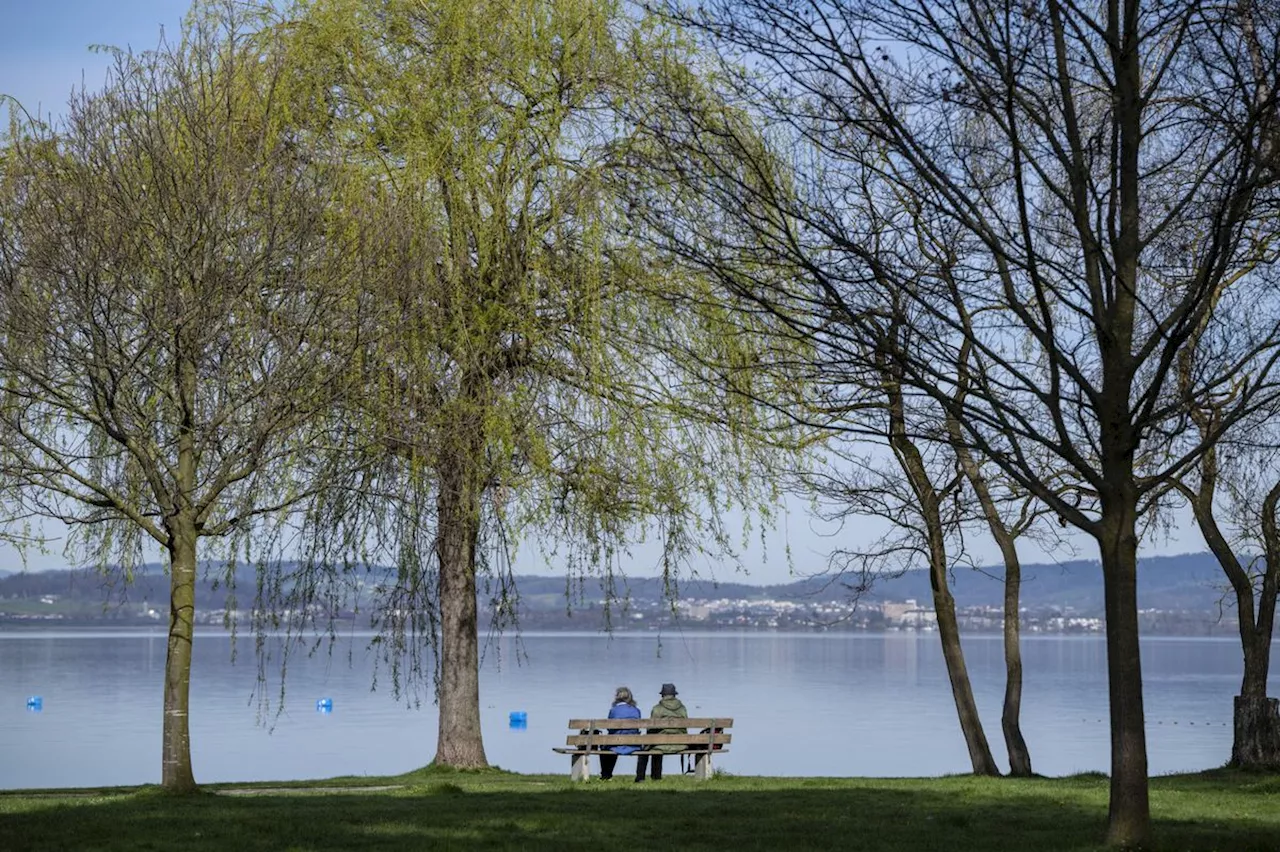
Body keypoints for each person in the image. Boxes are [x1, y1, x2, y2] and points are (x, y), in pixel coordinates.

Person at [635, 682, 687, 782]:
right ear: (674, 695)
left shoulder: (657, 709)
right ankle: (656, 777)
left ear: (663, 695)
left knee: (649, 747)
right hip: (680, 744)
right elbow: (684, 728)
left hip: (660, 744)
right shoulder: (682, 708)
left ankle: (641, 778)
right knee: (656, 743)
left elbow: (651, 730)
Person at [598, 686, 641, 780]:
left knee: (607, 746)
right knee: (612, 743)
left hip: (616, 744)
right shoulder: (636, 710)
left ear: (617, 698)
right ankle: (640, 777)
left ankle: (606, 775)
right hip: (633, 744)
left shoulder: (614, 711)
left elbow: (610, 729)